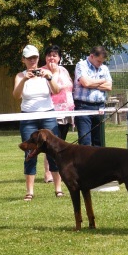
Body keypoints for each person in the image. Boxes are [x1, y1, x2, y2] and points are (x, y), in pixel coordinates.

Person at [12, 45, 63, 200]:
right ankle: (30, 191)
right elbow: (16, 95)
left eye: (34, 58)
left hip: (47, 115)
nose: (32, 61)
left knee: (54, 151)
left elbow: (56, 90)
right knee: (30, 152)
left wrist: (49, 77)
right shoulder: (20, 76)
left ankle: (58, 188)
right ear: (24, 60)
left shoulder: (46, 73)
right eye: (29, 58)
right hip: (28, 118)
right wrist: (24, 80)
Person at [42, 45, 74, 183]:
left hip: (66, 111)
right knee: (51, 143)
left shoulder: (64, 70)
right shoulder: (42, 71)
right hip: (51, 111)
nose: (52, 58)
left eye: (55, 55)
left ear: (60, 58)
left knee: (61, 142)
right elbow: (51, 88)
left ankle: (60, 170)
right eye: (49, 55)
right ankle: (48, 173)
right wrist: (53, 73)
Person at [73, 46, 112, 146]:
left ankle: (99, 162)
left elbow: (109, 86)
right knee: (85, 141)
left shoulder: (104, 68)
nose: (100, 64)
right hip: (83, 107)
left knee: (99, 141)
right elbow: (86, 83)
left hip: (100, 107)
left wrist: (92, 83)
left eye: (102, 62)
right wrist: (102, 80)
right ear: (92, 56)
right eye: (98, 61)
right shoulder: (81, 65)